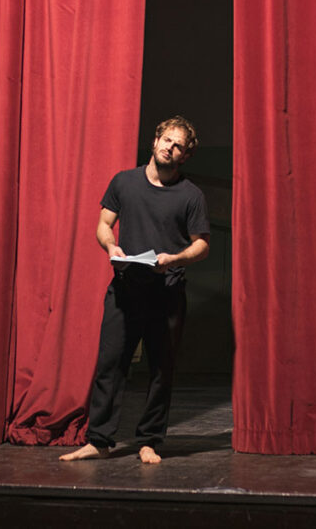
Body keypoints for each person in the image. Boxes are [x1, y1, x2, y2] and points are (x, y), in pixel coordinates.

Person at [60, 116, 210, 464]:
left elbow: (201, 244)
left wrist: (175, 259)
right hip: (126, 289)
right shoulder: (124, 182)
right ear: (155, 140)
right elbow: (103, 223)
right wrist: (110, 246)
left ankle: (149, 442)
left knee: (161, 369)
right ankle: (98, 440)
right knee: (111, 365)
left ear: (185, 155)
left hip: (167, 291)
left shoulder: (191, 195)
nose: (169, 148)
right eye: (166, 140)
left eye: (178, 146)